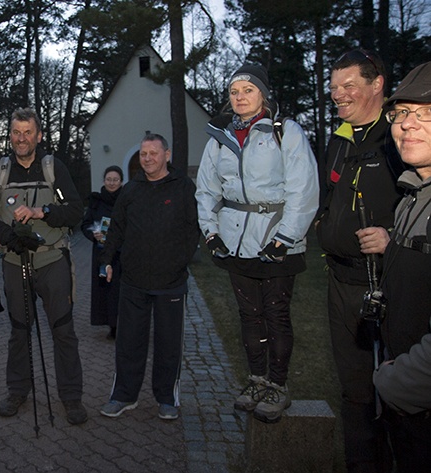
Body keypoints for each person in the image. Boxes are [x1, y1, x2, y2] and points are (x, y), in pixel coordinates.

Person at [195, 65, 318, 424]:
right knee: (249, 315)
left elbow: (303, 188)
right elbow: (206, 189)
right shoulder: (219, 137)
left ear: (263, 94)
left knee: (276, 314)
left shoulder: (285, 131)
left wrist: (286, 237)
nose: (240, 96)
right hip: (235, 241)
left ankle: (277, 386)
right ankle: (256, 381)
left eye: (248, 89)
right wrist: (211, 232)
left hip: (276, 237)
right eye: (235, 91)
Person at [316, 49, 404, 472]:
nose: (338, 95)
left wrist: (395, 238)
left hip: (390, 284)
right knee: (353, 390)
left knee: (397, 389)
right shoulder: (340, 137)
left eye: (348, 85)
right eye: (334, 87)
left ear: (377, 84)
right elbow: (329, 196)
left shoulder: (400, 137)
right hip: (340, 283)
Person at [0, 107, 87, 425]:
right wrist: (8, 236)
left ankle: (71, 397)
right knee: (19, 331)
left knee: (63, 330)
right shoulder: (0, 170)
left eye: (28, 132)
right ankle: (17, 391)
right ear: (10, 135)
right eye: (16, 132)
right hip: (15, 260)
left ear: (39, 136)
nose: (22, 138)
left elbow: (76, 210)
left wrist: (43, 212)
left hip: (52, 258)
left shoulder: (54, 168)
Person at [98, 133, 199, 421]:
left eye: (154, 153)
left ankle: (166, 398)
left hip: (171, 282)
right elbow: (116, 229)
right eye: (143, 154)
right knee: (129, 342)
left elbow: (193, 229)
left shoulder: (183, 188)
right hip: (133, 281)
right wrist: (107, 260)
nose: (148, 158)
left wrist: (181, 261)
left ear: (166, 155)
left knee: (168, 344)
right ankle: (123, 396)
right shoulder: (131, 191)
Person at [369, 61, 431, 473]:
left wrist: (396, 381)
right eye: (402, 113)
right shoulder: (412, 195)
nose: (409, 125)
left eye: (426, 114)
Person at [80, 165, 124, 339]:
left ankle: (123, 324)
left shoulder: (126, 200)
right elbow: (85, 224)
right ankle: (111, 325)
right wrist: (93, 234)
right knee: (105, 290)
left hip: (122, 253)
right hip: (101, 252)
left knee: (121, 291)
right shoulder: (96, 201)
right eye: (108, 179)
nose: (112, 183)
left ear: (121, 181)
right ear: (104, 181)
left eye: (115, 180)